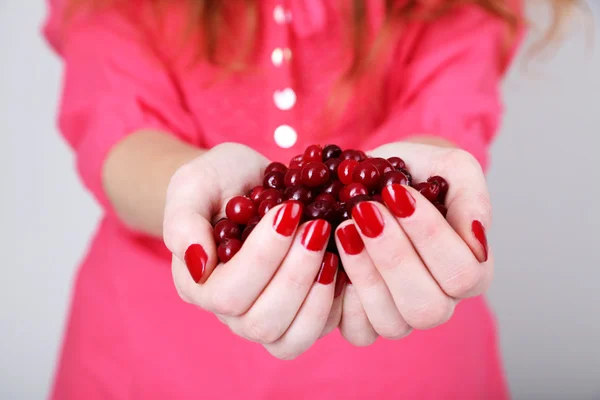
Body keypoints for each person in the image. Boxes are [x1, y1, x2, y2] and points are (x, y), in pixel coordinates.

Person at [42, 0, 567, 398]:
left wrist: (426, 186)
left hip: (406, 356)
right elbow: (117, 127)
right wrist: (188, 195)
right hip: (143, 362)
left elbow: (444, 118)